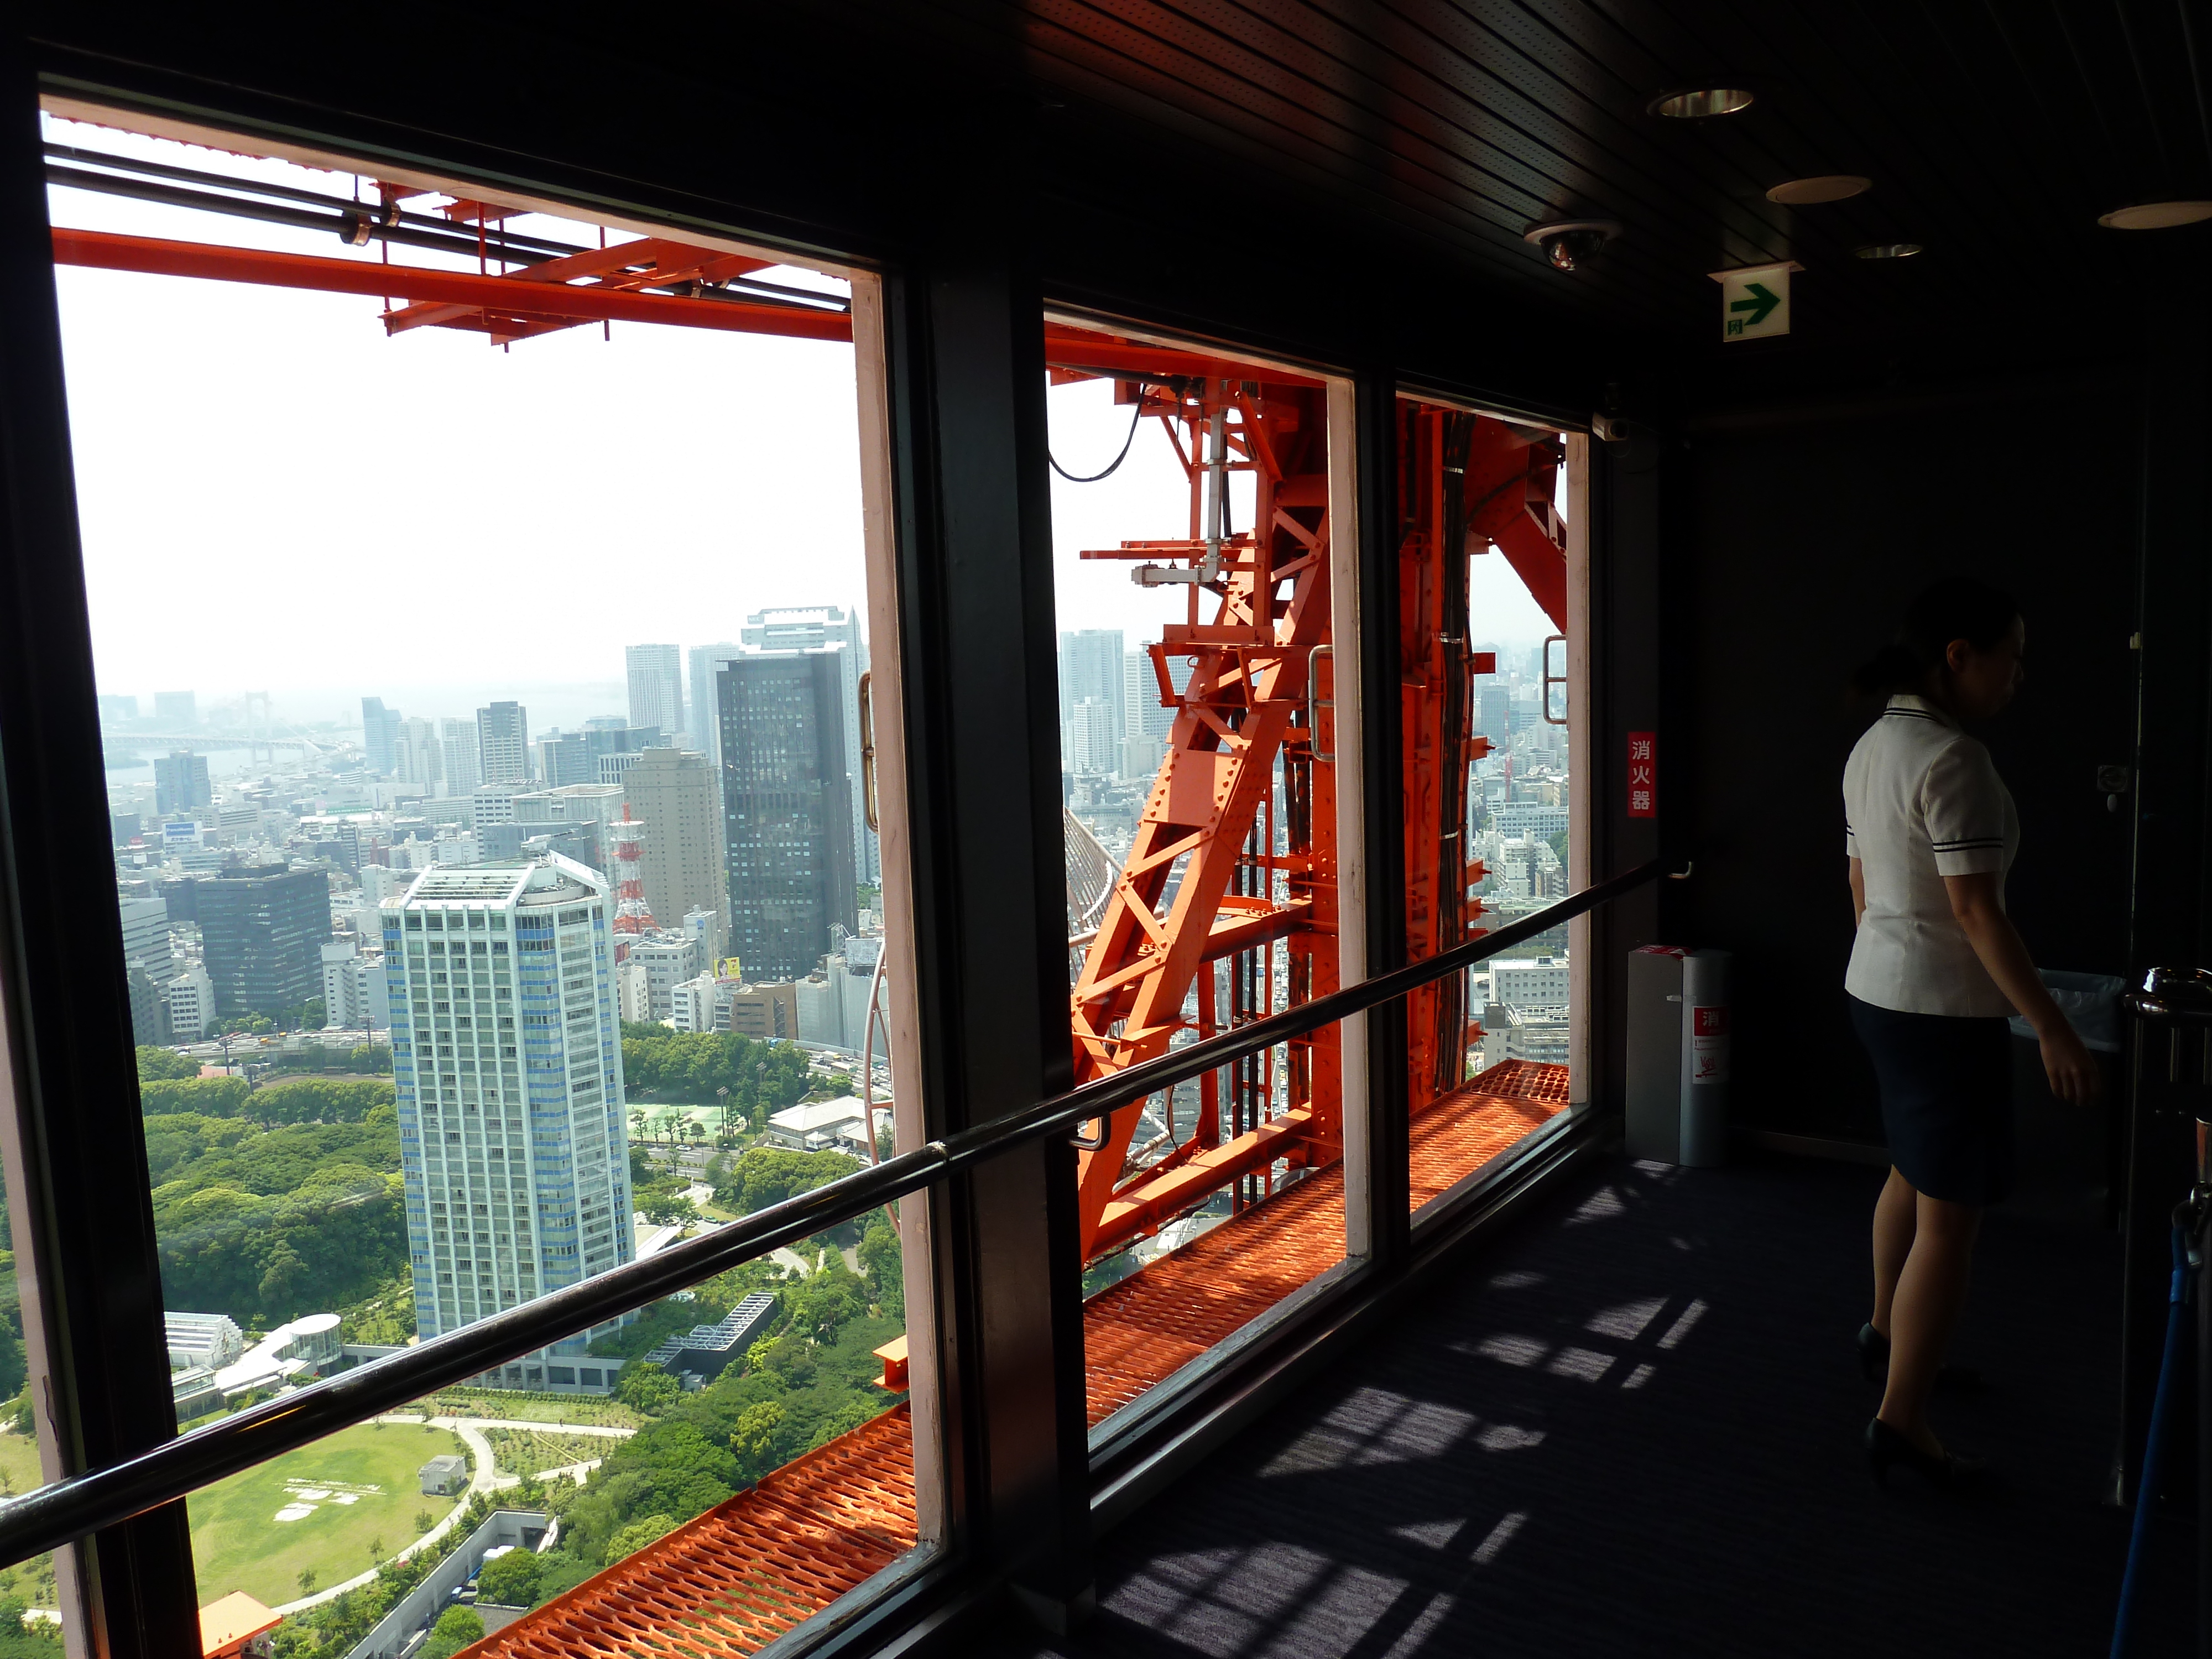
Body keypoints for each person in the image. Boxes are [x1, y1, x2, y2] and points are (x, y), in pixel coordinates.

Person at [1841, 576, 2099, 1489]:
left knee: (1910, 1170)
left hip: (1877, 992)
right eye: (2012, 656)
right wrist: (2053, 1028)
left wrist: (1884, 959)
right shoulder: (1955, 764)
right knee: (1953, 1221)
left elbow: (1864, 888)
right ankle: (1902, 1420)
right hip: (1941, 1013)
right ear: (1959, 657)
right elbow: (1979, 914)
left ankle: (1886, 1333)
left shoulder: (1874, 746)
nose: (2019, 676)